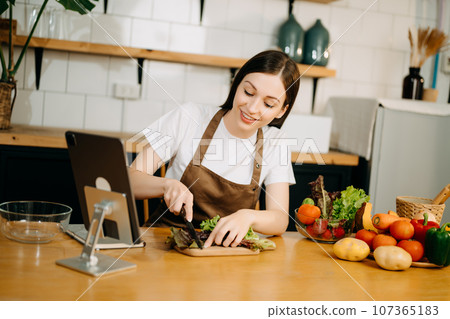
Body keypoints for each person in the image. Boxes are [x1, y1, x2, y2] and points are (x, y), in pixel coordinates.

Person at [129, 50, 300, 248]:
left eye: (268, 104)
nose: (253, 108)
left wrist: (248, 217)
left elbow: (280, 219)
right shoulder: (189, 117)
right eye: (248, 92)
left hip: (225, 257)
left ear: (282, 110)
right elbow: (131, 179)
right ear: (237, 84)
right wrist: (166, 185)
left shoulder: (275, 142)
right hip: (162, 245)